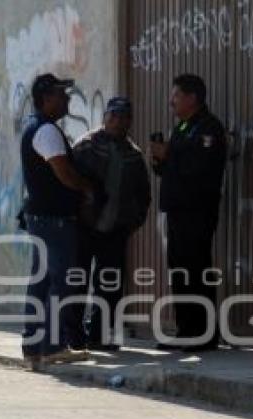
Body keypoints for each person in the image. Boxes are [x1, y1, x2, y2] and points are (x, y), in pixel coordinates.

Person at [20, 74, 96, 366]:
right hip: (54, 219)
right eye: (62, 95)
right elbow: (63, 172)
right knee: (59, 283)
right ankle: (52, 346)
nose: (67, 100)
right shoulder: (47, 131)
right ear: (46, 98)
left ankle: (33, 347)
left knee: (40, 283)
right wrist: (86, 187)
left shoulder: (35, 128)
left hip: (43, 217)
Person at [149, 74, 227, 352]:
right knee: (180, 271)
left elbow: (198, 169)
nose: (171, 101)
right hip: (177, 211)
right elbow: (168, 170)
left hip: (197, 210)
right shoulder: (182, 127)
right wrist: (159, 158)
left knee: (196, 269)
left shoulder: (208, 129)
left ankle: (203, 333)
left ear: (193, 98)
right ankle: (186, 329)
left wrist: (169, 157)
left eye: (176, 96)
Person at [72, 97, 151, 350]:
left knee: (110, 284)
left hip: (115, 230)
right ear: (105, 117)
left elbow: (143, 195)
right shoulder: (86, 146)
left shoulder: (133, 155)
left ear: (130, 121)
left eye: (123, 117)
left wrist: (132, 223)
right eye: (113, 116)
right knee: (77, 281)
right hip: (84, 227)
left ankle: (99, 335)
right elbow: (71, 184)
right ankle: (73, 335)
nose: (117, 121)